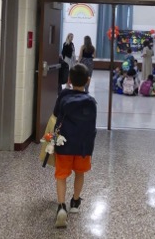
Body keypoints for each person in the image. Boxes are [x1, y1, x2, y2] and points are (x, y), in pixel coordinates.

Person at [52, 64, 97, 228]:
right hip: (83, 147)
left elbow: (56, 114)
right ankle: (75, 202)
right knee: (80, 173)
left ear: (69, 80)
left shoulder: (63, 95)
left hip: (63, 143)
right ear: (88, 81)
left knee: (61, 175)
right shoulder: (91, 102)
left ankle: (61, 206)